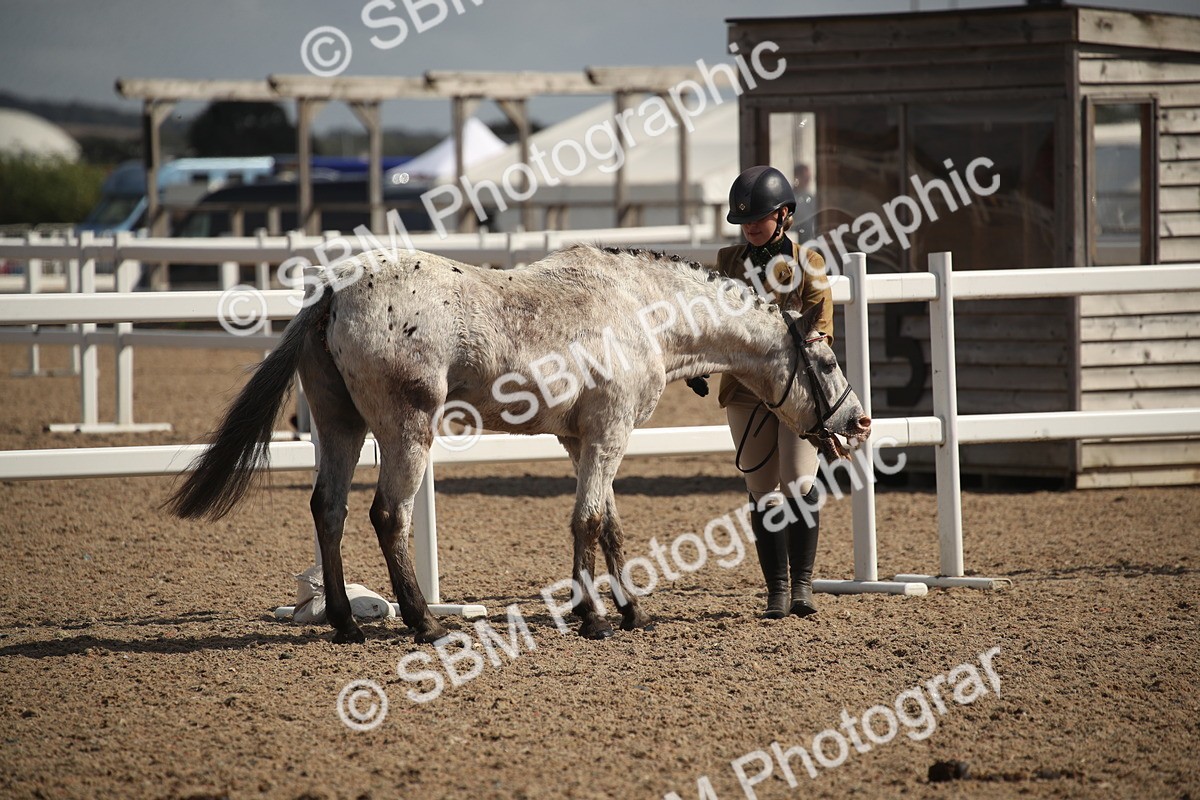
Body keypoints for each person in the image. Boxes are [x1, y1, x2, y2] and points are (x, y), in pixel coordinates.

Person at [688, 165, 834, 619]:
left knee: (799, 481)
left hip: (796, 390)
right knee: (762, 489)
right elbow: (713, 321)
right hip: (745, 390)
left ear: (785, 214)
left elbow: (821, 331)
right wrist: (697, 360)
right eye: (745, 220)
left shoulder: (808, 264)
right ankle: (776, 590)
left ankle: (803, 586)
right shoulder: (728, 261)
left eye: (760, 217)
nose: (751, 226)